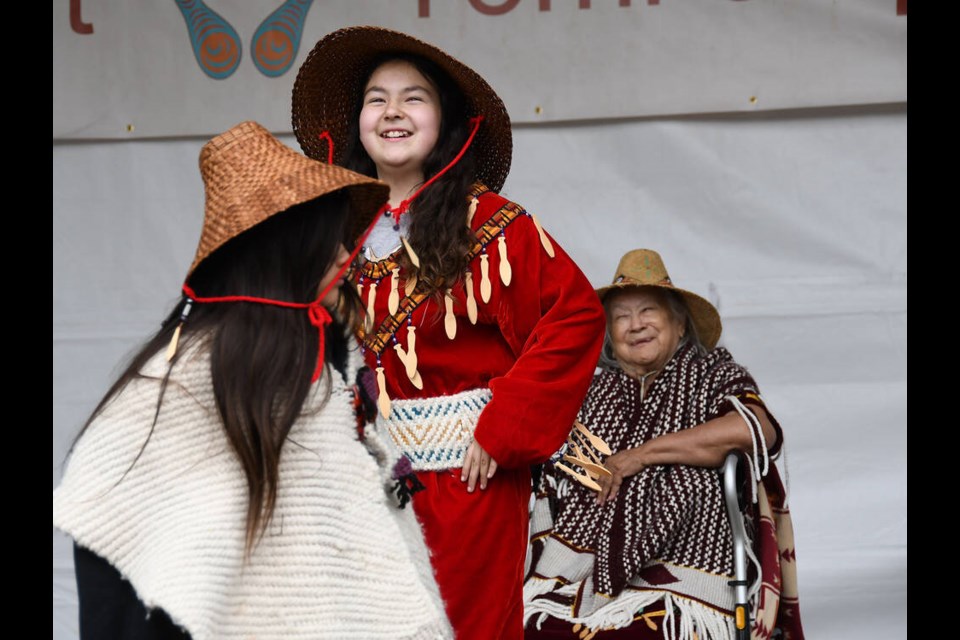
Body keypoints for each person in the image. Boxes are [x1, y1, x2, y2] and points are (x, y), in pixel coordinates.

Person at [52, 121, 453, 640]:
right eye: (325, 240)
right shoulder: (176, 386)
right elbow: (117, 565)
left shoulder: (327, 371)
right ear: (282, 255)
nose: (342, 255)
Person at [291, 26, 607, 640]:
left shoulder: (491, 224)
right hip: (356, 481)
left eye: (414, 97)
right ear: (358, 121)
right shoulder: (327, 231)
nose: (392, 112)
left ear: (445, 122)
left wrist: (504, 429)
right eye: (376, 98)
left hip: (467, 479)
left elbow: (574, 317)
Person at [523, 249, 806, 640]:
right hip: (578, 570)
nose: (635, 325)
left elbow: (755, 430)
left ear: (679, 323)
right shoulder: (593, 391)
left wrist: (640, 456)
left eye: (648, 311)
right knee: (533, 628)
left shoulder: (713, 373)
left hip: (683, 580)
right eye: (621, 317)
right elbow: (550, 455)